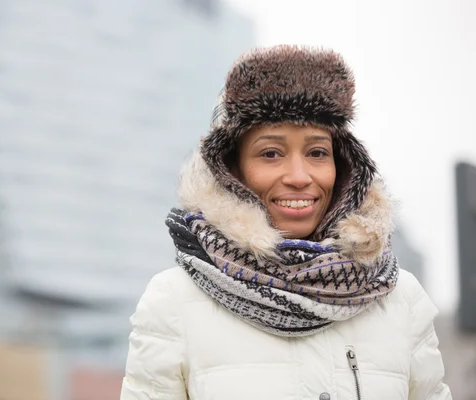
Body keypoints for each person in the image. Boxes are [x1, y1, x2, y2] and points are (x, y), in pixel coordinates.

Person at [120, 45, 452, 400]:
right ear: (232, 169)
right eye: (271, 153)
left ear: (343, 167)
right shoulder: (173, 302)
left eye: (317, 153)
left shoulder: (401, 300)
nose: (299, 176)